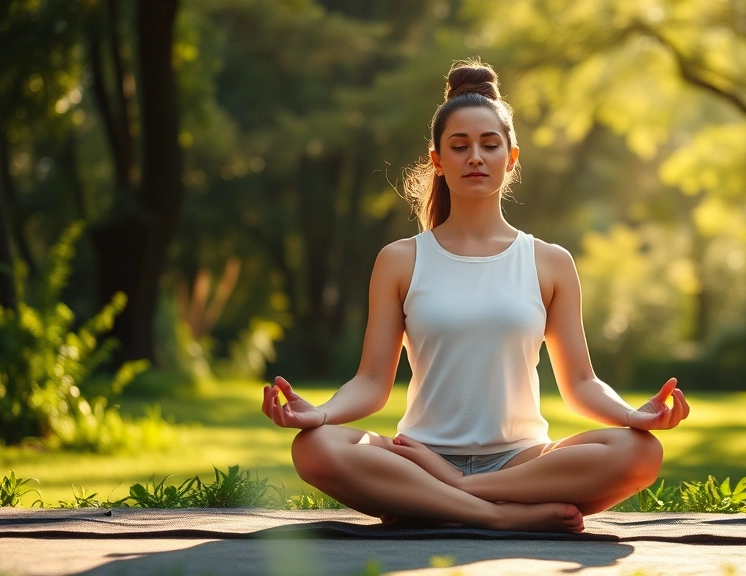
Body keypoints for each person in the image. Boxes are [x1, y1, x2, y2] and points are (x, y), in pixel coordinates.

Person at [261, 59, 690, 533]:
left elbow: (582, 383)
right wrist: (317, 414)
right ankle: (495, 516)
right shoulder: (400, 259)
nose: (476, 157)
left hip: (522, 463)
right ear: (437, 161)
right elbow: (370, 382)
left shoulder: (550, 262)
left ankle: (449, 498)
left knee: (640, 451)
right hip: (417, 456)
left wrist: (635, 415)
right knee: (314, 447)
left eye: (490, 144)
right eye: (459, 146)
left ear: (512, 157)